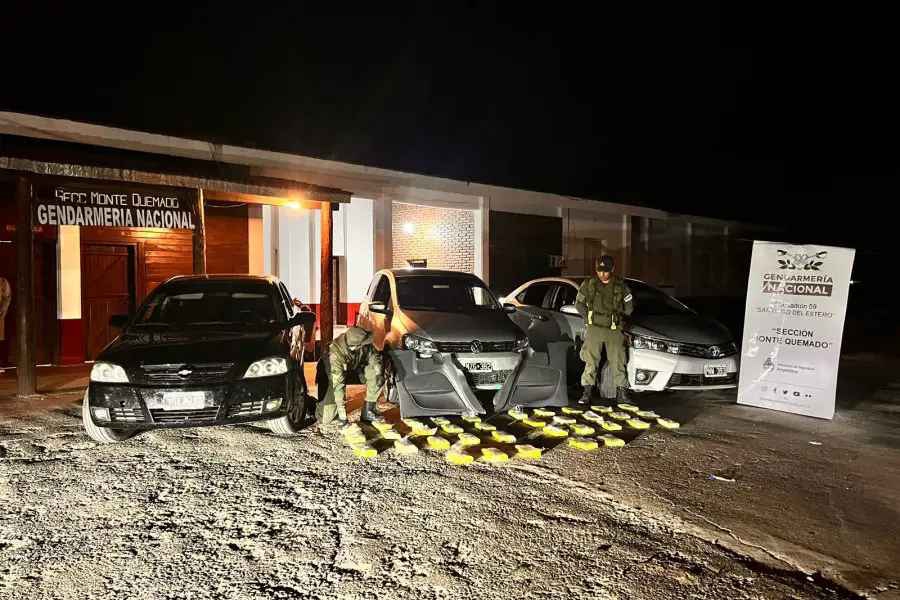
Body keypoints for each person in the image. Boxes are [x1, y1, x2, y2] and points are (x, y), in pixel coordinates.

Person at [575, 255, 634, 404]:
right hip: (594, 328)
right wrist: (587, 319)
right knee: (590, 361)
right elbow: (579, 304)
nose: (602, 274)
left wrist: (620, 319)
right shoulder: (589, 284)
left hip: (614, 329)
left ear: (612, 269)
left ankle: (622, 394)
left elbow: (629, 307)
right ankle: (587, 393)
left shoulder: (621, 286)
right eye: (599, 270)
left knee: (618, 361)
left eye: (606, 271)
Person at [315, 326, 383, 426]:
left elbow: (374, 356)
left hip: (352, 368)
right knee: (326, 418)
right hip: (331, 375)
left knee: (375, 371)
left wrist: (379, 373)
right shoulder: (335, 354)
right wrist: (343, 417)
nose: (367, 344)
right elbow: (338, 386)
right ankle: (310, 404)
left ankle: (368, 411)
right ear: (355, 346)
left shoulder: (361, 343)